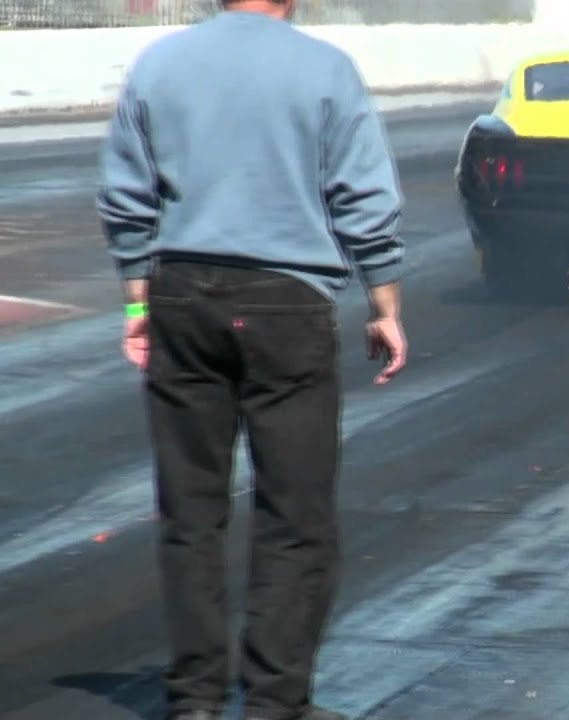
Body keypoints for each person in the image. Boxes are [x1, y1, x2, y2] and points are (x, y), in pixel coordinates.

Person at [96, 1, 408, 718]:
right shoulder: (325, 68)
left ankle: (196, 700)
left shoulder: (160, 62)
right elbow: (364, 198)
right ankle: (274, 702)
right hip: (285, 302)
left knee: (190, 512)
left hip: (181, 294)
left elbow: (126, 194)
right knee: (295, 517)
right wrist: (385, 305)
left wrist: (138, 301)